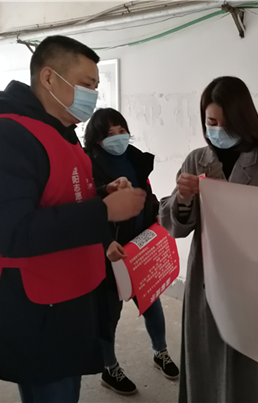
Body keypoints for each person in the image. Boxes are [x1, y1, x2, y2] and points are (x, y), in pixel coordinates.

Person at [0, 35, 146, 403]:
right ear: (49, 78)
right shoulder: (3, 134)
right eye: (86, 85)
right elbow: (8, 231)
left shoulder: (60, 132)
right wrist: (105, 211)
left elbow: (58, 195)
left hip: (64, 295)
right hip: (31, 305)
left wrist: (102, 194)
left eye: (95, 87)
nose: (92, 95)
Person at [160, 76, 258, 403]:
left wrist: (234, 202)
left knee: (252, 364)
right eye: (211, 122)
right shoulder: (197, 160)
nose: (218, 130)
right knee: (208, 359)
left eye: (226, 123)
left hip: (256, 280)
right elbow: (177, 227)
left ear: (244, 120)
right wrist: (184, 197)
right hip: (209, 277)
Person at [84, 108, 179, 396]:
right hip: (111, 252)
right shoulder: (88, 165)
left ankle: (160, 352)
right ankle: (109, 367)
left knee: (151, 300)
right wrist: (104, 243)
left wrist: (156, 212)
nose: (118, 138)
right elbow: (87, 212)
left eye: (121, 130)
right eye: (109, 134)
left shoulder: (136, 159)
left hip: (140, 247)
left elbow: (146, 194)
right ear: (97, 140)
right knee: (109, 314)